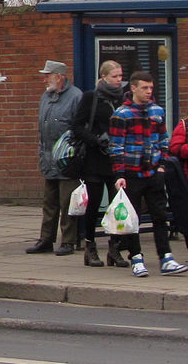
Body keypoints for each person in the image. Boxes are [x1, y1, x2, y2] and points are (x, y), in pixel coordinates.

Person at [108, 70, 188, 277]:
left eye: (151, 88)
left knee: (160, 216)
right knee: (133, 219)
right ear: (133, 88)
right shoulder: (121, 114)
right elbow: (116, 147)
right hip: (132, 174)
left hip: (153, 172)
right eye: (144, 87)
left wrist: (161, 164)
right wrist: (120, 175)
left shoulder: (156, 111)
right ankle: (136, 258)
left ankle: (166, 257)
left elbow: (163, 140)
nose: (148, 91)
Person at [70, 61, 126, 267]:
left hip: (116, 159)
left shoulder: (123, 98)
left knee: (116, 205)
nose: (119, 80)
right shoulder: (91, 97)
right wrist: (95, 139)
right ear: (103, 77)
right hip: (95, 159)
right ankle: (90, 246)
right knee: (93, 204)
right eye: (115, 76)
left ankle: (115, 248)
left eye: (120, 76)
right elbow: (76, 126)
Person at [26, 60, 83, 255]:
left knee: (67, 203)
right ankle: (46, 239)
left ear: (59, 77)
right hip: (48, 158)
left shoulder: (76, 97)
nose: (44, 79)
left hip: (67, 159)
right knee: (49, 204)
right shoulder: (46, 96)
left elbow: (79, 129)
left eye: (47, 75)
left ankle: (68, 241)